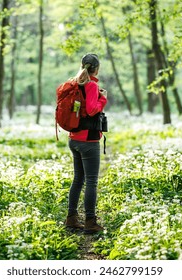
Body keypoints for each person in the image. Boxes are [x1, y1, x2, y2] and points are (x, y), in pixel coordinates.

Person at [64, 53, 108, 234]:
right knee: (91, 181)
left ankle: (71, 218)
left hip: (74, 138)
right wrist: (103, 99)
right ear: (96, 69)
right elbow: (91, 110)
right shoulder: (91, 85)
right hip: (88, 141)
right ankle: (90, 221)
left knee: (78, 179)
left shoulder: (74, 83)